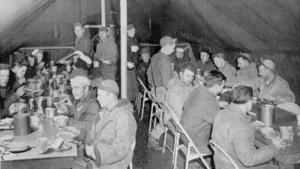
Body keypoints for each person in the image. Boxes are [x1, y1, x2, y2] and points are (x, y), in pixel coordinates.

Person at [212, 86, 286, 169]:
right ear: (250, 101)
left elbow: (232, 132)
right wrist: (274, 147)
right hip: (236, 166)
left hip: (221, 163)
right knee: (279, 166)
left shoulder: (220, 113)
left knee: (270, 161)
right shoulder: (242, 127)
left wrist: (251, 127)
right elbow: (248, 160)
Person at [84, 79, 137, 169]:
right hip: (95, 160)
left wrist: (97, 153)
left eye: (100, 95)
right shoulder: (103, 112)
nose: (97, 98)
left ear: (111, 95)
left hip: (111, 164)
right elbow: (93, 134)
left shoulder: (123, 117)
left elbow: (122, 148)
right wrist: (82, 136)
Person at [148, 63, 196, 150]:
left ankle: (152, 138)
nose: (189, 79)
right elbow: (181, 112)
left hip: (170, 115)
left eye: (192, 76)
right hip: (176, 121)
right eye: (187, 75)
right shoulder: (175, 90)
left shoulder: (183, 84)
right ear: (181, 74)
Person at [181, 70, 225, 155]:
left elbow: (200, 107)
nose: (222, 90)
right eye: (221, 87)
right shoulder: (209, 102)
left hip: (185, 135)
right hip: (196, 144)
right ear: (216, 86)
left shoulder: (197, 90)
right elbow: (221, 123)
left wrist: (217, 104)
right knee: (229, 145)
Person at [258, 59, 300, 125]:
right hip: (263, 111)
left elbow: (292, 98)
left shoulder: (281, 83)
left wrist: (278, 98)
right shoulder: (260, 81)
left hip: (278, 114)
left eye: (261, 71)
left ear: (268, 71)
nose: (259, 73)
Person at [147, 35, 176, 102]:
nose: (173, 50)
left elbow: (148, 73)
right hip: (163, 96)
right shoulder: (164, 60)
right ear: (166, 46)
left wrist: (154, 86)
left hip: (154, 93)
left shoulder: (155, 56)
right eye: (172, 48)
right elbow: (166, 83)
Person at [126, 24, 139, 101]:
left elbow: (136, 50)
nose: (134, 32)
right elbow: (121, 54)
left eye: (134, 30)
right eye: (132, 30)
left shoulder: (134, 39)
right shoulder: (124, 40)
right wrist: (126, 62)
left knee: (134, 86)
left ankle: (133, 105)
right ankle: (128, 105)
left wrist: (137, 48)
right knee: (128, 87)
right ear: (127, 31)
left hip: (134, 67)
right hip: (127, 67)